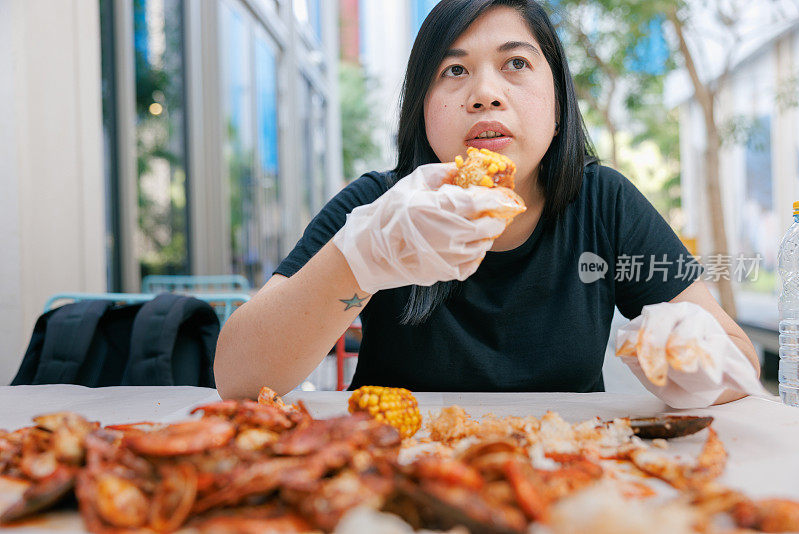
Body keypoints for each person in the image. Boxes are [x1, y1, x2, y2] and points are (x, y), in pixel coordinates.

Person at [214, 0, 759, 402]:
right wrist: (362, 257)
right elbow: (238, 379)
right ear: (421, 107)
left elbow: (742, 358)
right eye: (454, 71)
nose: (485, 93)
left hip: (565, 476)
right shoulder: (380, 205)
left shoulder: (604, 203)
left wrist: (698, 367)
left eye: (516, 64)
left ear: (558, 98)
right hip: (387, 478)